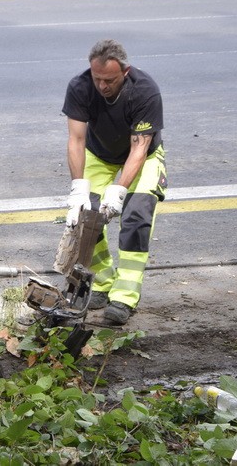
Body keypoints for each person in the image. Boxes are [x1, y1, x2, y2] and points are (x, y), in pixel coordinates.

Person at [63, 39, 167, 326]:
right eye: (97, 78)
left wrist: (119, 191)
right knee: (86, 217)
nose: (102, 86)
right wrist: (78, 188)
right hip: (98, 155)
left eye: (109, 80)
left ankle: (125, 295)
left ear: (125, 71)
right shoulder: (80, 87)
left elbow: (139, 148)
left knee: (135, 218)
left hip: (142, 157)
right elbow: (76, 139)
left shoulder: (145, 91)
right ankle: (103, 282)